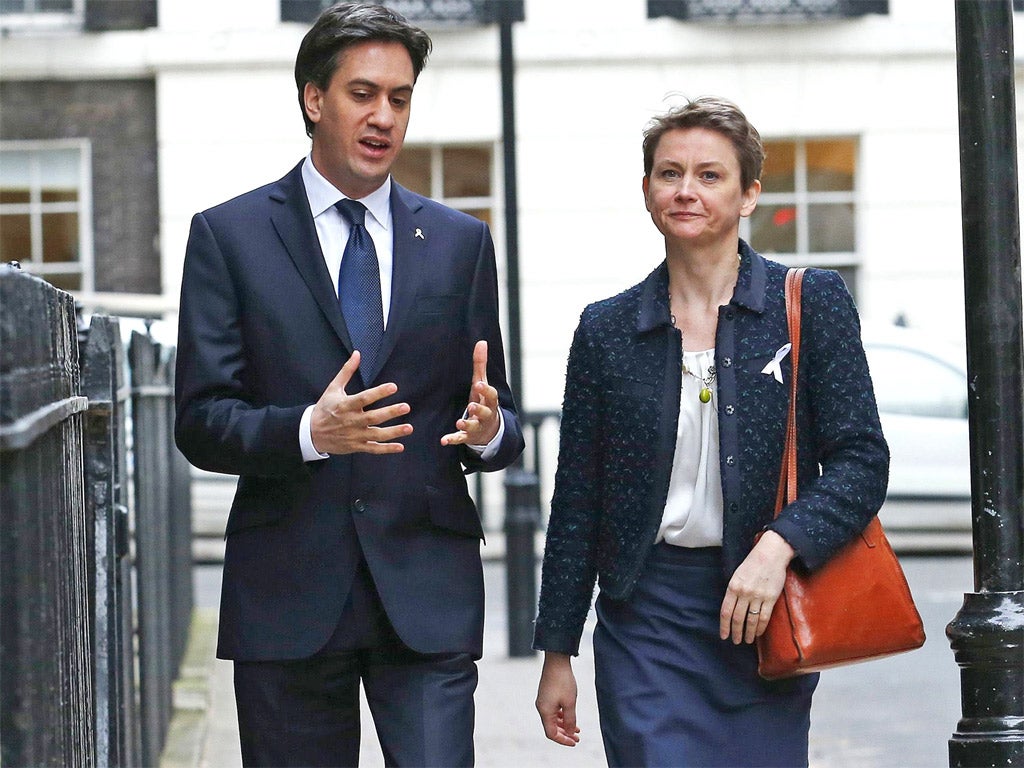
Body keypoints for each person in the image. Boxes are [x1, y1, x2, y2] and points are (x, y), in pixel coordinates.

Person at [174, 3, 524, 766]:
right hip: (288, 592)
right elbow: (200, 419)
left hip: (426, 594)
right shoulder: (227, 237)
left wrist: (490, 430)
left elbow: (498, 411)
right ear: (313, 99)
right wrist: (308, 432)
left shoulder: (461, 243)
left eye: (399, 98)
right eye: (364, 93)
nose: (384, 116)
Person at [532, 97, 889, 767]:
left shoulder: (808, 304)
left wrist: (780, 548)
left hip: (761, 611)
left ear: (750, 193)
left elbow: (860, 460)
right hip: (645, 621)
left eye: (709, 175)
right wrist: (557, 652)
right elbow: (579, 500)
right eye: (669, 174)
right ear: (646, 191)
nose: (686, 190)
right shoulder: (606, 329)